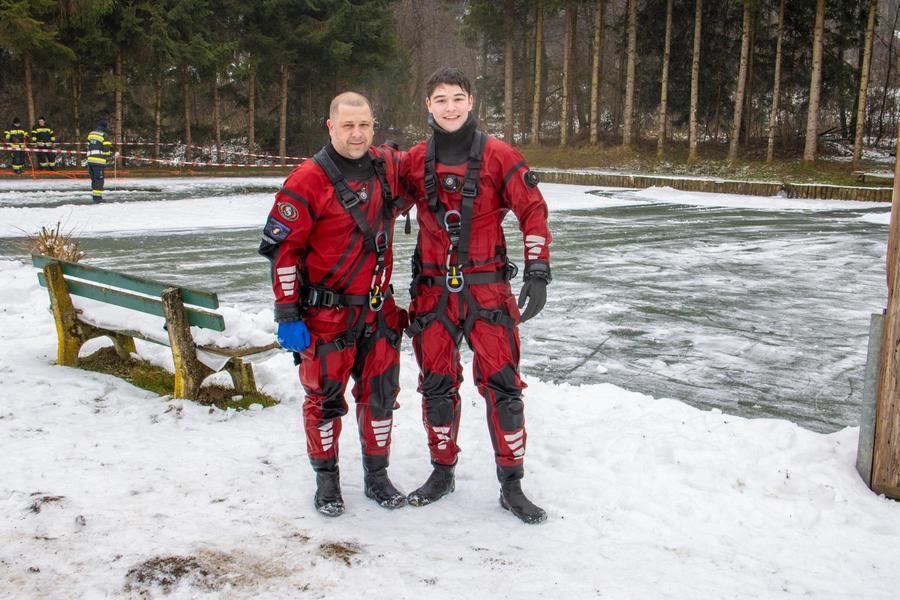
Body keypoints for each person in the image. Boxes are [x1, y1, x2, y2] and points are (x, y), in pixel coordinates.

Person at [399, 67, 552, 524]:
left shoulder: (500, 156)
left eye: (457, 98)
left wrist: (538, 269)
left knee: (505, 390)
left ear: (471, 102)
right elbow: (375, 204)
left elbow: (532, 210)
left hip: (488, 293)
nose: (450, 107)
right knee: (436, 387)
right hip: (432, 294)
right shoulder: (413, 161)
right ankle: (441, 472)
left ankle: (512, 486)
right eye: (440, 99)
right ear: (428, 105)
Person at [258, 92, 408, 517]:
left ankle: (377, 476)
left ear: (373, 125)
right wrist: (287, 313)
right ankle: (327, 481)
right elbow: (283, 251)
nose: (357, 134)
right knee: (323, 401)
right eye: (347, 126)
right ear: (330, 126)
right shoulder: (307, 179)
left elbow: (426, 166)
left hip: (378, 311)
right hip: (325, 316)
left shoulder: (386, 169)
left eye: (364, 125)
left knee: (380, 397)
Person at [86, 120, 112, 202]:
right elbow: (106, 150)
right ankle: (97, 198)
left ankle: (95, 196)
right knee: (99, 179)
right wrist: (110, 154)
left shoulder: (91, 134)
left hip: (90, 160)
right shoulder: (104, 135)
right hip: (98, 161)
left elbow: (88, 146)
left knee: (94, 179)